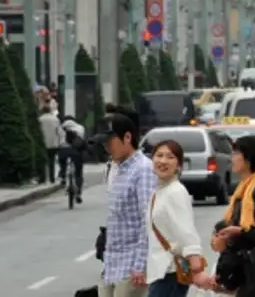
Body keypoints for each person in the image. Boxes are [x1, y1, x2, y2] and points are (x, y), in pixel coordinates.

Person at [211, 135, 255, 296]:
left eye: (236, 154)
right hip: (238, 270)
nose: (232, 158)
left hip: (252, 272)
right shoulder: (242, 189)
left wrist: (239, 232)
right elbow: (234, 221)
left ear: (249, 159)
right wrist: (219, 232)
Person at [100, 110, 158, 297]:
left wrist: (140, 266)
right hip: (112, 263)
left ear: (127, 137)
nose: (106, 147)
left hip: (132, 266)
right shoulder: (118, 169)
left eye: (109, 141)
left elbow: (148, 220)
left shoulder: (143, 170)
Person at [146, 140, 214, 296]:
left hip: (171, 273)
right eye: (159, 155)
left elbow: (187, 231)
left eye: (170, 157)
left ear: (179, 165)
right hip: (161, 272)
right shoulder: (160, 191)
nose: (163, 161)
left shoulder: (175, 192)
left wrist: (196, 268)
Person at [59, 118, 87, 203]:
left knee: (62, 161)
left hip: (64, 150)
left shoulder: (60, 128)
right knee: (78, 171)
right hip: (76, 151)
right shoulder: (80, 128)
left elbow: (58, 140)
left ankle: (63, 176)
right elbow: (82, 140)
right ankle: (78, 192)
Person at [39, 105, 63, 184]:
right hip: (53, 143)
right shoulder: (55, 119)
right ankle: (52, 178)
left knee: (42, 161)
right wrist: (59, 142)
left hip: (43, 143)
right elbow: (59, 132)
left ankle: (42, 178)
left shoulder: (40, 119)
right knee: (51, 161)